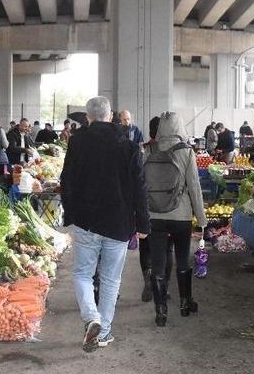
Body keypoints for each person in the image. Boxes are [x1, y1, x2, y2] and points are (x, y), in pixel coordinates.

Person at [60, 96, 149, 352]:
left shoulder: (77, 142)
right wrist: (143, 223)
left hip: (87, 221)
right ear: (110, 116)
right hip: (119, 223)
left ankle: (92, 318)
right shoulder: (130, 146)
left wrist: (70, 214)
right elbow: (140, 188)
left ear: (88, 117)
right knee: (111, 280)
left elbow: (67, 181)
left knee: (82, 274)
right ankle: (104, 331)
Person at [143, 112, 205, 326]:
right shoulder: (186, 152)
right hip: (181, 216)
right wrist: (202, 220)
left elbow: (141, 185)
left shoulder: (148, 149)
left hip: (154, 215)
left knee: (158, 263)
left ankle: (161, 312)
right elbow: (195, 188)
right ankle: (185, 304)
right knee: (182, 259)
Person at [139, 116, 174, 303]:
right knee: (167, 248)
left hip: (147, 208)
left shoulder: (143, 150)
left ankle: (148, 277)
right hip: (169, 208)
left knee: (146, 246)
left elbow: (136, 180)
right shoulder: (175, 151)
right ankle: (164, 287)